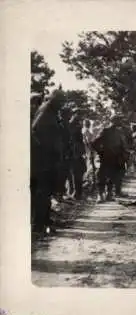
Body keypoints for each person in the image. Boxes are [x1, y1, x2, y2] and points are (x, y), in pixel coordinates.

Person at [31, 89, 66, 234]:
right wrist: (46, 152)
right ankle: (38, 225)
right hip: (43, 160)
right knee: (42, 192)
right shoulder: (45, 112)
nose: (62, 105)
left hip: (49, 159)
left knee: (46, 192)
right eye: (60, 102)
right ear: (53, 100)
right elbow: (36, 132)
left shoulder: (51, 112)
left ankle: (45, 220)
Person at [91, 114, 128, 202]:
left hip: (116, 158)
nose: (120, 122)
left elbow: (122, 145)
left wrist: (124, 154)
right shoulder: (105, 131)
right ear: (113, 121)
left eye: (120, 120)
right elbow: (94, 143)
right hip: (106, 157)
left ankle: (109, 194)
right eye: (118, 120)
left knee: (113, 176)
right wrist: (101, 152)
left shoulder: (119, 132)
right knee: (101, 176)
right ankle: (100, 195)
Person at [67, 108, 87, 200]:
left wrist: (83, 151)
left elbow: (80, 140)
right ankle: (74, 192)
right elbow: (70, 139)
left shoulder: (78, 124)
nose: (80, 116)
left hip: (78, 152)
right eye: (78, 114)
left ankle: (78, 192)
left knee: (81, 170)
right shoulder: (70, 125)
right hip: (73, 152)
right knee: (74, 173)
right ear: (74, 114)